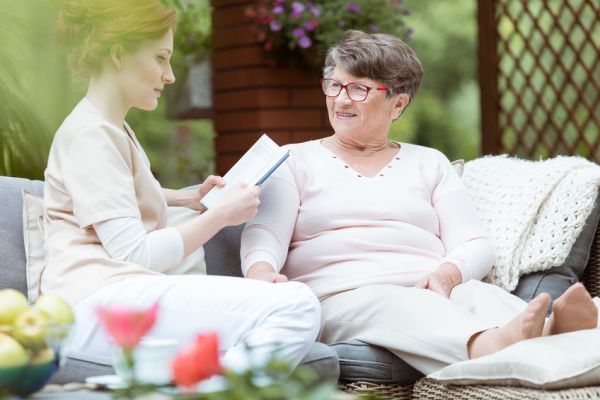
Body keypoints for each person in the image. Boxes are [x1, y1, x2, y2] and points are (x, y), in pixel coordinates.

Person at [240, 30, 599, 374]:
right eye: (335, 85)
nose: (342, 99)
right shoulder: (292, 160)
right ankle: (488, 346)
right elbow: (265, 232)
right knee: (397, 304)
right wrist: (261, 274)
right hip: (343, 295)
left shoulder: (430, 162)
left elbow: (472, 242)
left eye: (359, 89)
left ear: (397, 103)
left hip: (430, 288)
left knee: (477, 295)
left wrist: (447, 275)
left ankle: (558, 333)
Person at [42, 0, 320, 371]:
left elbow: (112, 197)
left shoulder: (107, 127)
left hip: (106, 297)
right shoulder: (91, 136)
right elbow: (135, 255)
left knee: (270, 316)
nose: (170, 75)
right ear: (119, 54)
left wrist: (188, 198)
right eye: (160, 58)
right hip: (96, 302)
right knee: (296, 304)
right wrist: (220, 216)